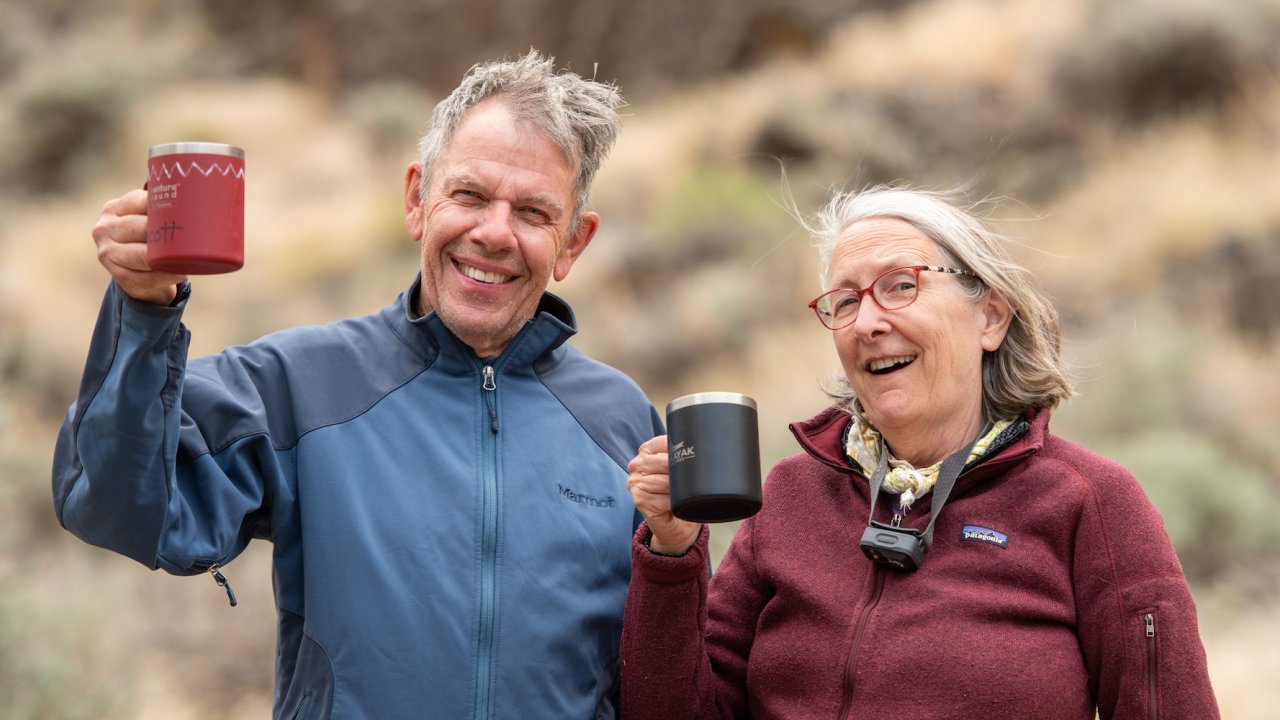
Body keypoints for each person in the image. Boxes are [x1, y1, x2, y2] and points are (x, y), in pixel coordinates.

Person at [52, 50, 662, 719]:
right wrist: (144, 311)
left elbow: (671, 674)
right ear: (415, 201)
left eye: (534, 213)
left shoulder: (622, 423)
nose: (493, 232)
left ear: (574, 243)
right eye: (469, 195)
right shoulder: (297, 386)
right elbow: (114, 507)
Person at [620, 185, 1219, 719]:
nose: (867, 323)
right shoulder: (789, 496)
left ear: (989, 317)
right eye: (846, 301)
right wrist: (672, 548)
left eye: (900, 285)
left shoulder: (1088, 501)